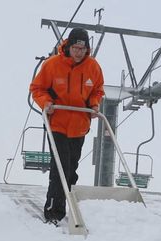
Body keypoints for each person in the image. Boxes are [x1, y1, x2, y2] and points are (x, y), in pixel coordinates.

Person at [29, 28, 105, 224]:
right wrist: (46, 102)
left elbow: (97, 90)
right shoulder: (52, 65)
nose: (79, 52)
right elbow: (37, 88)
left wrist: (94, 105)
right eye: (75, 47)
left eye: (82, 48)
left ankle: (69, 204)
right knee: (60, 167)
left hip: (79, 125)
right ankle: (54, 212)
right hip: (57, 122)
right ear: (68, 46)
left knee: (71, 169)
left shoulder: (93, 67)